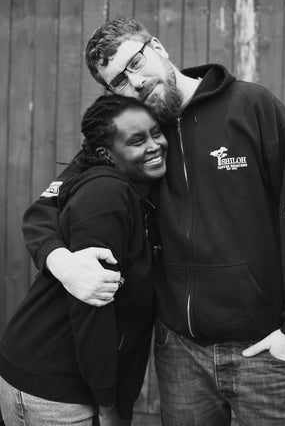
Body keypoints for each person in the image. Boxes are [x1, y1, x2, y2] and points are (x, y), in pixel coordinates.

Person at [21, 18, 285, 425]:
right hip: (180, 355)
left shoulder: (253, 107)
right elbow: (46, 207)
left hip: (265, 352)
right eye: (119, 81)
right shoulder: (133, 134)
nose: (136, 82)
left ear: (157, 47)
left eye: (136, 62)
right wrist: (61, 262)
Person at [0, 94, 168, 426]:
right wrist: (106, 403)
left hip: (64, 378)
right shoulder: (106, 195)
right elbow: (91, 308)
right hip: (57, 390)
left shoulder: (131, 184)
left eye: (156, 132)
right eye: (137, 140)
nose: (154, 145)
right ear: (106, 154)